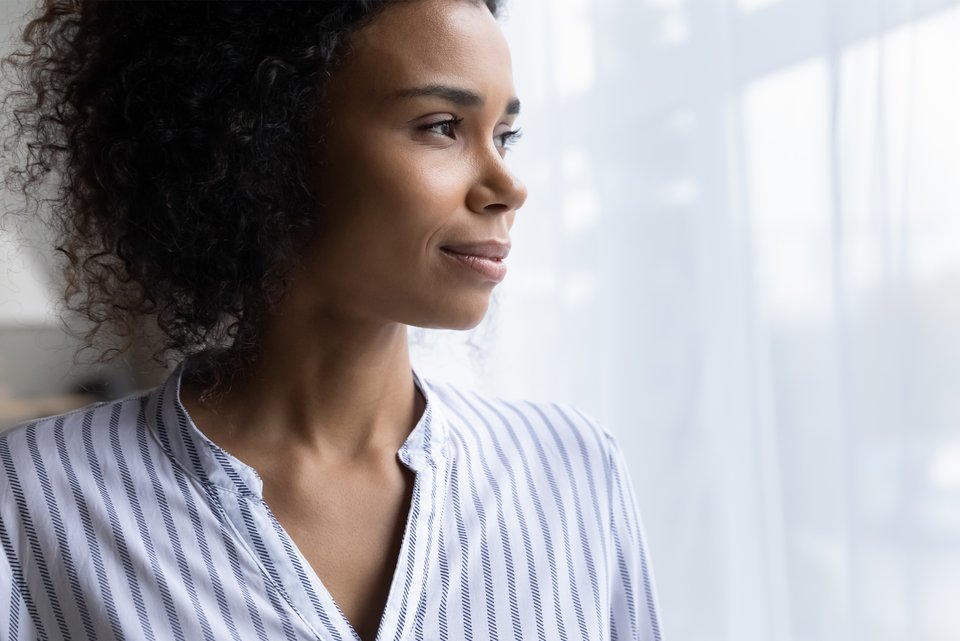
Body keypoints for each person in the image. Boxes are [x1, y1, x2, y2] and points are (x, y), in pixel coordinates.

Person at [0, 1, 662, 639]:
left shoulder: (574, 469)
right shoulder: (38, 496)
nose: (508, 186)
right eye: (442, 126)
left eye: (505, 136)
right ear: (264, 140)